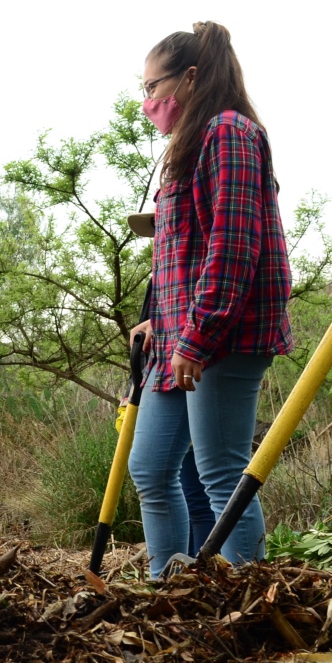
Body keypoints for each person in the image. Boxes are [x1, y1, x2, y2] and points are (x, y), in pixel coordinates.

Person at [126, 23, 293, 577]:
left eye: (155, 87)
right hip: (175, 338)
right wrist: (156, 320)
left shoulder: (229, 132)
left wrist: (197, 337)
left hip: (221, 336)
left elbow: (232, 247)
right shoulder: (190, 143)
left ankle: (245, 595)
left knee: (222, 472)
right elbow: (180, 251)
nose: (148, 101)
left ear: (191, 77)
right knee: (150, 468)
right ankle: (164, 589)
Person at [127, 213, 218, 556]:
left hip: (197, 366)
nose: (159, 234)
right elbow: (146, 339)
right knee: (163, 477)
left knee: (204, 486)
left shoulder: (200, 259)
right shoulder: (159, 277)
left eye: (163, 225)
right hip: (163, 374)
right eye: (155, 228)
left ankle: (208, 570)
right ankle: (179, 576)